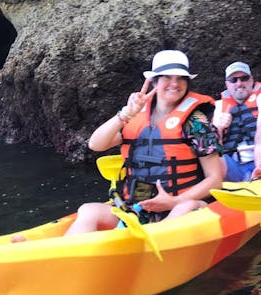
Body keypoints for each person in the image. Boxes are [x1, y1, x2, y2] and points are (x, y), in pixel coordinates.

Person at [12, 50, 223, 241]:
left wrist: (173, 201)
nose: (174, 84)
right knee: (88, 210)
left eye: (180, 78)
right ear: (154, 82)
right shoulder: (135, 116)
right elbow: (96, 144)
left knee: (184, 208)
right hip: (138, 206)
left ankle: (135, 254)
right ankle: (57, 256)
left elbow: (215, 179)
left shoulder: (195, 122)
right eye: (167, 77)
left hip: (180, 206)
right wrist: (125, 114)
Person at [213, 61, 261, 181]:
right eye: (233, 80)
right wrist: (219, 128)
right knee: (214, 154)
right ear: (227, 84)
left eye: (244, 78)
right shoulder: (219, 106)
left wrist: (260, 147)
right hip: (233, 166)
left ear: (251, 80)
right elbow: (215, 146)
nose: (239, 83)